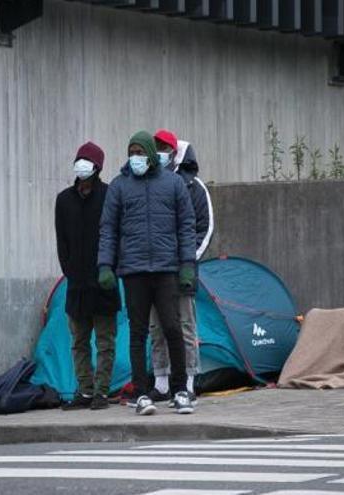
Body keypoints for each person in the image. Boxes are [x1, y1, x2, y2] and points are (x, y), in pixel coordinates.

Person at [98, 130, 197, 415]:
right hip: (133, 271)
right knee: (138, 333)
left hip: (167, 269)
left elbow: (186, 225)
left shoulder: (174, 183)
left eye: (141, 152)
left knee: (172, 328)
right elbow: (108, 230)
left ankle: (180, 391)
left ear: (152, 155)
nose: (136, 158)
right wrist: (105, 265)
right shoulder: (119, 186)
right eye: (132, 152)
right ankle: (141, 394)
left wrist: (187, 265)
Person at [146, 130, 214, 406]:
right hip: (154, 270)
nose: (160, 152)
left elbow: (204, 229)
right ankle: (161, 382)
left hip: (182, 271)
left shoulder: (195, 188)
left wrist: (187, 261)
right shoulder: (148, 184)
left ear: (175, 152)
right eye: (156, 147)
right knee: (156, 327)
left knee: (185, 325)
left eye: (165, 148)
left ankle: (187, 382)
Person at [54, 141, 121, 411]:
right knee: (79, 342)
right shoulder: (64, 200)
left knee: (105, 341)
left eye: (88, 161)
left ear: (98, 168)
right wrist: (69, 271)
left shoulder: (109, 196)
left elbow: (116, 236)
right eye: (79, 159)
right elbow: (62, 242)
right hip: (76, 286)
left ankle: (101, 391)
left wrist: (111, 270)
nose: (82, 165)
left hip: (104, 283)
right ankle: (84, 390)